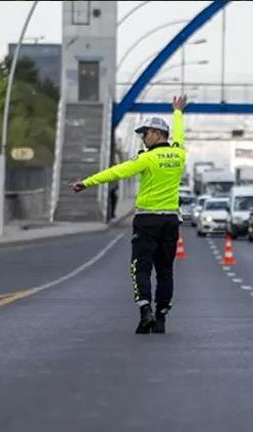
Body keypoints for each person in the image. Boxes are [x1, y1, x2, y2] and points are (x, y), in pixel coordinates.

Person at [71, 95, 188, 334]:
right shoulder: (179, 154)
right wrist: (178, 112)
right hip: (170, 221)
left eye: (144, 133)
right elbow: (180, 135)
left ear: (156, 134)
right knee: (165, 270)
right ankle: (162, 317)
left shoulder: (147, 158)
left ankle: (145, 311)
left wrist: (87, 182)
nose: (143, 138)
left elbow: (117, 172)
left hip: (147, 220)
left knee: (141, 268)